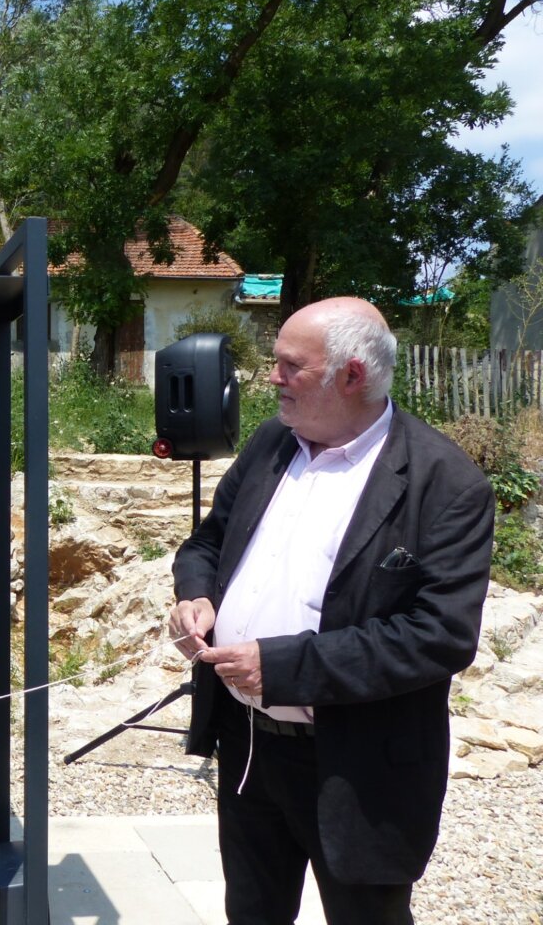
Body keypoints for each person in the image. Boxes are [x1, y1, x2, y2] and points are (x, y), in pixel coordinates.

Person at [168, 297, 494, 925]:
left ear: (351, 375)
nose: (272, 377)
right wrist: (197, 595)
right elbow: (207, 542)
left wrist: (286, 667)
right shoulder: (272, 443)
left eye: (291, 365)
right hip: (249, 743)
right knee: (254, 913)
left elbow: (441, 635)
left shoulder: (446, 483)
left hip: (358, 763)